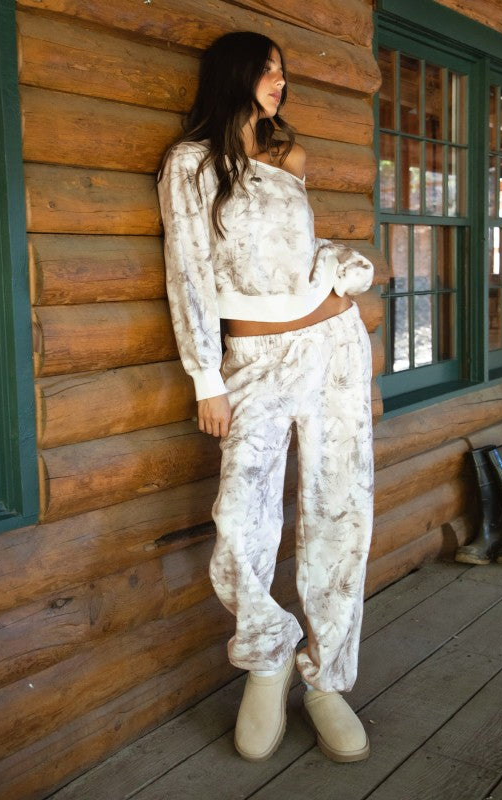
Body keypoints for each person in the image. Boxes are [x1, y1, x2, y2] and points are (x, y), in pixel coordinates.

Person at [157, 30, 375, 764]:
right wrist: (206, 378)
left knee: (339, 509)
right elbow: (188, 272)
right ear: (235, 74)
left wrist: (339, 279)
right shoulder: (191, 165)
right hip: (251, 360)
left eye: (283, 71)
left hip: (332, 345)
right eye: (267, 70)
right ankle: (268, 651)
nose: (279, 82)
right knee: (239, 520)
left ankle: (327, 678)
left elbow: (292, 257)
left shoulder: (291, 158)